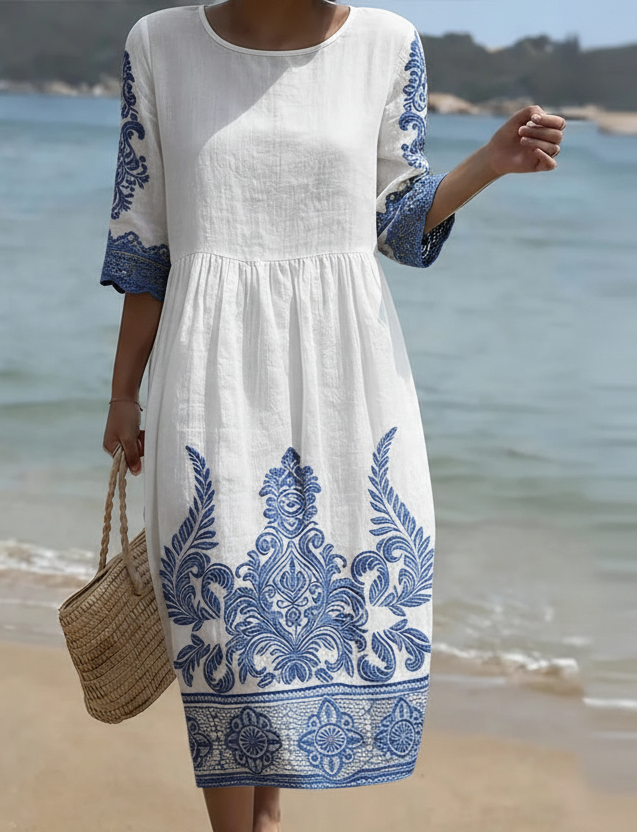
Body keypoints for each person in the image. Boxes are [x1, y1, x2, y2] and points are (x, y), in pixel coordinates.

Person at [101, 2, 565, 830]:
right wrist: (123, 391)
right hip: (209, 371)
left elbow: (398, 223)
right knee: (227, 627)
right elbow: (145, 240)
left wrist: (489, 164)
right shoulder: (160, 44)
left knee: (309, 618)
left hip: (346, 374)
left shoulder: (388, 44)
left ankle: (267, 813)